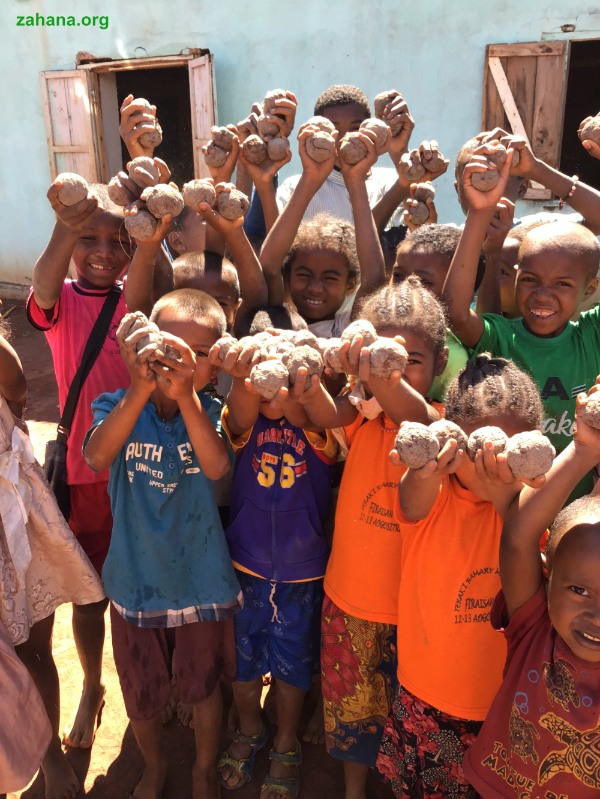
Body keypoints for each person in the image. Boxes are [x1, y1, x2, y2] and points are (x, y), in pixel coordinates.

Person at [83, 289, 241, 799]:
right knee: (142, 691)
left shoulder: (213, 411)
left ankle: (201, 769)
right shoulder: (116, 405)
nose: (178, 363)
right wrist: (137, 389)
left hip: (200, 578)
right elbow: (96, 456)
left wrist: (188, 397)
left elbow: (217, 466)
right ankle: (153, 765)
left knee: (202, 686)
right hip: (135, 580)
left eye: (195, 357)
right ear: (140, 347)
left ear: (213, 368)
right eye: (168, 347)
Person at [295, 278, 447, 799]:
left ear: (441, 363)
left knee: (407, 714)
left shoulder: (439, 426)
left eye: (410, 362)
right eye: (381, 357)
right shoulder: (364, 414)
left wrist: (377, 373)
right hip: (350, 600)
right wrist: (312, 380)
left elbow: (416, 417)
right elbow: (325, 413)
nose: (392, 373)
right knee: (351, 710)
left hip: (413, 609)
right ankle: (353, 789)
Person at [27, 179, 163, 750]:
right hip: (82, 475)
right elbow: (41, 282)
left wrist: (148, 239)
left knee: (147, 590)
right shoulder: (58, 302)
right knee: (89, 595)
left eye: (117, 239)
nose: (104, 249)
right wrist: (68, 219)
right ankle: (91, 685)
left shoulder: (136, 295)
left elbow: (146, 300)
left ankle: (155, 688)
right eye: (90, 238)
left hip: (141, 472)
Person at [377, 354, 546, 798]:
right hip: (426, 697)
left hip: (503, 705)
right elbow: (411, 499)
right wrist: (428, 465)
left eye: (509, 450)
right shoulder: (432, 494)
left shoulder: (529, 510)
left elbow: (529, 547)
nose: (493, 462)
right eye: (479, 448)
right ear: (451, 441)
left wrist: (505, 494)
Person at [212, 327, 338, 799]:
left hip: (304, 569)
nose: (274, 387)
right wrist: (250, 377)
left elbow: (319, 432)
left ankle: (286, 737)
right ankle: (250, 727)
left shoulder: (320, 425)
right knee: (243, 665)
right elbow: (241, 415)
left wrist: (294, 393)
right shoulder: (247, 424)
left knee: (293, 664)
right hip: (245, 564)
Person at [442, 137, 600, 502]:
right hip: (503, 508)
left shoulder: (590, 336)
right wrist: (478, 214)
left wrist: (537, 170)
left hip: (574, 512)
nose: (542, 295)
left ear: (590, 289)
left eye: (562, 284)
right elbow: (453, 308)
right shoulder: (500, 337)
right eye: (530, 280)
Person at [463, 385, 600, 798]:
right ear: (546, 578)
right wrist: (584, 451)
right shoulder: (535, 628)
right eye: (579, 589)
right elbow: (519, 538)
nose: (597, 616)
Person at [0, 321, 104, 799]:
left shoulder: (7, 382)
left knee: (33, 654)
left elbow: (15, 381)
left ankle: (51, 761)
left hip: (12, 533)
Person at [260, 122, 386, 337]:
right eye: (303, 274)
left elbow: (374, 280)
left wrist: (355, 182)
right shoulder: (278, 323)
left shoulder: (348, 328)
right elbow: (269, 267)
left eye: (330, 278)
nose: (316, 287)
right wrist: (310, 178)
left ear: (350, 286)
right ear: (287, 277)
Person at [392, 224, 484, 401]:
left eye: (423, 282)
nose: (405, 288)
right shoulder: (379, 330)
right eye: (397, 276)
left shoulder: (454, 358)